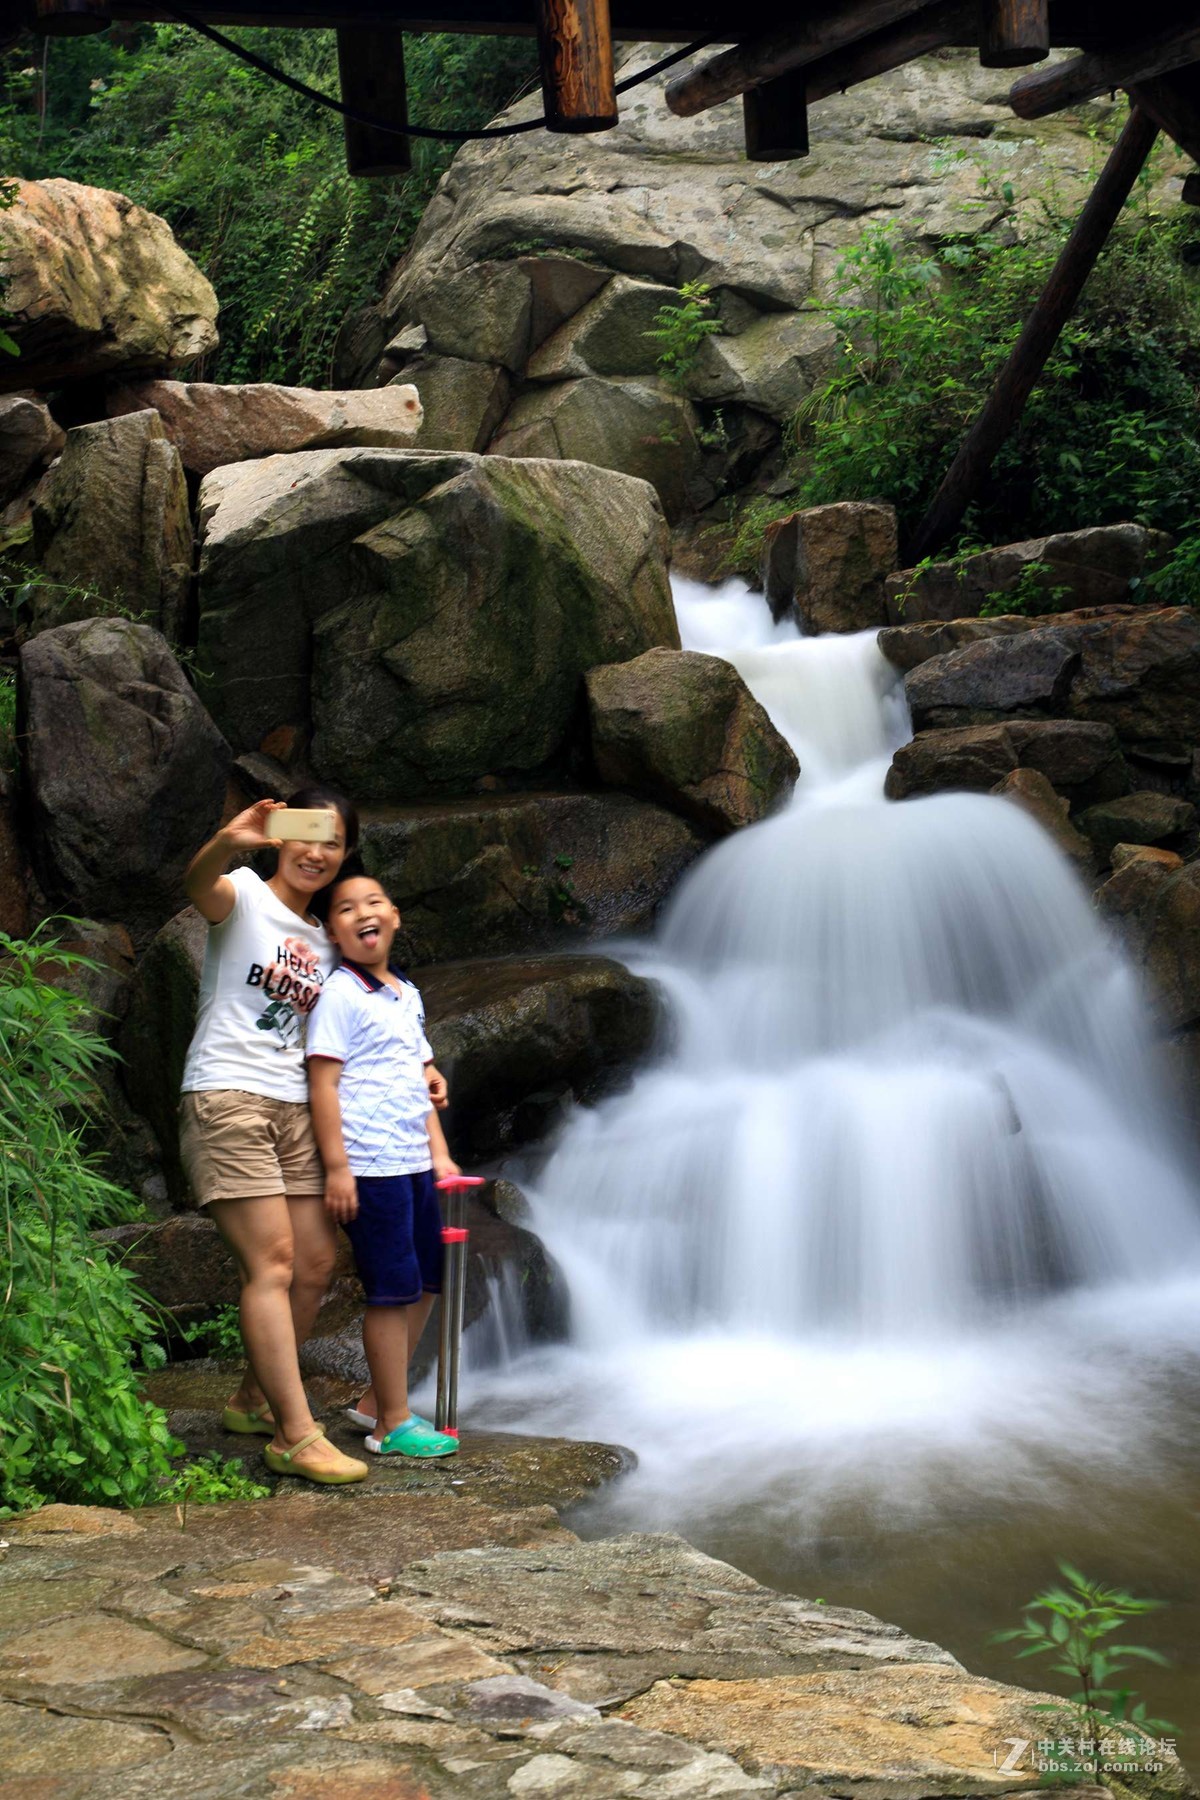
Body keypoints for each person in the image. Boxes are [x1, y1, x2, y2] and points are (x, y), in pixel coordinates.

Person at [180, 788, 370, 1485]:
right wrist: (231, 838)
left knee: (317, 1263)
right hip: (228, 1097)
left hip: (294, 1110)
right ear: (281, 835)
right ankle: (295, 1435)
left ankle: (252, 1399)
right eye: (306, 832)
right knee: (275, 1262)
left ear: (345, 853)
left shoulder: (326, 942)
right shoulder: (242, 897)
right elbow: (196, 884)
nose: (317, 851)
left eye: (334, 840)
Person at [307, 869, 461, 1458]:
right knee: (391, 1290)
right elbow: (324, 1084)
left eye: (374, 901)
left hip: (414, 1160)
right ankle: (389, 1426)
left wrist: (440, 1152)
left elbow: (418, 1077)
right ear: (333, 933)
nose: (363, 911)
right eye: (346, 908)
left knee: (426, 1282)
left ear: (395, 916)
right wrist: (337, 1167)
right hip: (371, 1167)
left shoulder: (406, 994)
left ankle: (378, 1398)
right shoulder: (340, 994)